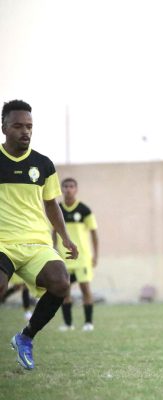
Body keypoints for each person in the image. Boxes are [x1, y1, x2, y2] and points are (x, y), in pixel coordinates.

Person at [0, 99, 78, 370]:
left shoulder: (43, 164)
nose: (25, 131)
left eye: (29, 126)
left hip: (37, 242)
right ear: (4, 128)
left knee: (61, 283)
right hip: (3, 243)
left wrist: (65, 237)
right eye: (18, 126)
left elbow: (51, 204)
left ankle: (25, 337)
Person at [53, 177, 99, 332]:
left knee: (85, 288)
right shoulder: (57, 209)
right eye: (65, 186)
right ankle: (68, 324)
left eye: (71, 186)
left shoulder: (84, 210)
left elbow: (94, 234)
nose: (68, 189)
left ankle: (88, 323)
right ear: (61, 189)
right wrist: (54, 249)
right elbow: (54, 231)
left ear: (76, 189)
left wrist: (95, 255)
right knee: (64, 290)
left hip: (82, 257)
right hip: (64, 258)